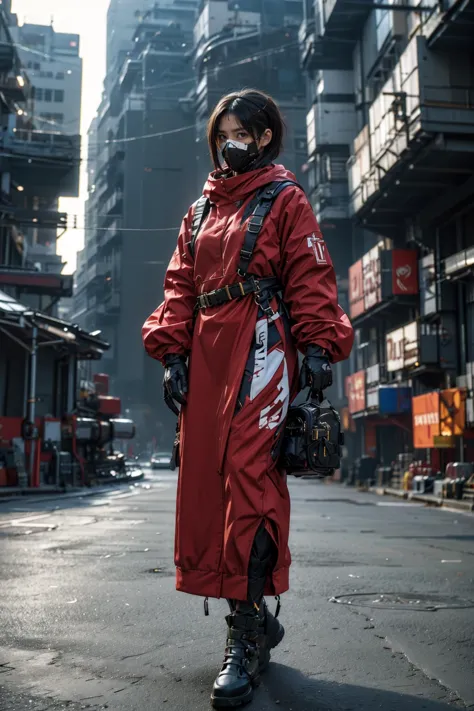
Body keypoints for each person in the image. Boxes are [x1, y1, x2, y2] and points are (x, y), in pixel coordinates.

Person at [142, 89, 354, 708]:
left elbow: (312, 277)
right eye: (220, 133)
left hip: (263, 344)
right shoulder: (199, 211)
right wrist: (172, 353)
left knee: (250, 478)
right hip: (206, 356)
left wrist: (317, 350)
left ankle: (245, 635)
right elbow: (179, 284)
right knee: (208, 485)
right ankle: (255, 616)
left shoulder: (286, 199)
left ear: (264, 137)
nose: (226, 142)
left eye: (238, 132)